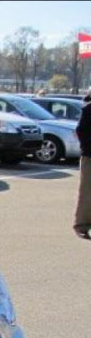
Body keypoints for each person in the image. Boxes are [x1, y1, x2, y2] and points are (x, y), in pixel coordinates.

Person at [75, 91, 91, 239]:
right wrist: (87, 146)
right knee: (87, 191)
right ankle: (82, 225)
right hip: (89, 156)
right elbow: (80, 131)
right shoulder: (88, 110)